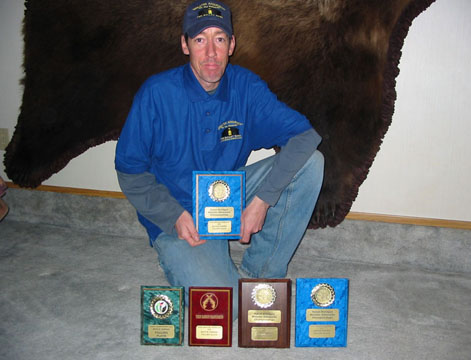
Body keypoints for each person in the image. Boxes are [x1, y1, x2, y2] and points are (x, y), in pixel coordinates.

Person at [115, 0, 324, 318]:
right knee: (228, 308)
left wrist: (261, 202)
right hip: (181, 215)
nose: (211, 52)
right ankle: (179, 259)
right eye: (200, 40)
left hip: (230, 195)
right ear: (185, 45)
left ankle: (260, 273)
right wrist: (172, 215)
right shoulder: (156, 94)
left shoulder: (247, 87)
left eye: (220, 39)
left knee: (311, 164)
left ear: (232, 45)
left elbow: (305, 137)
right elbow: (130, 170)